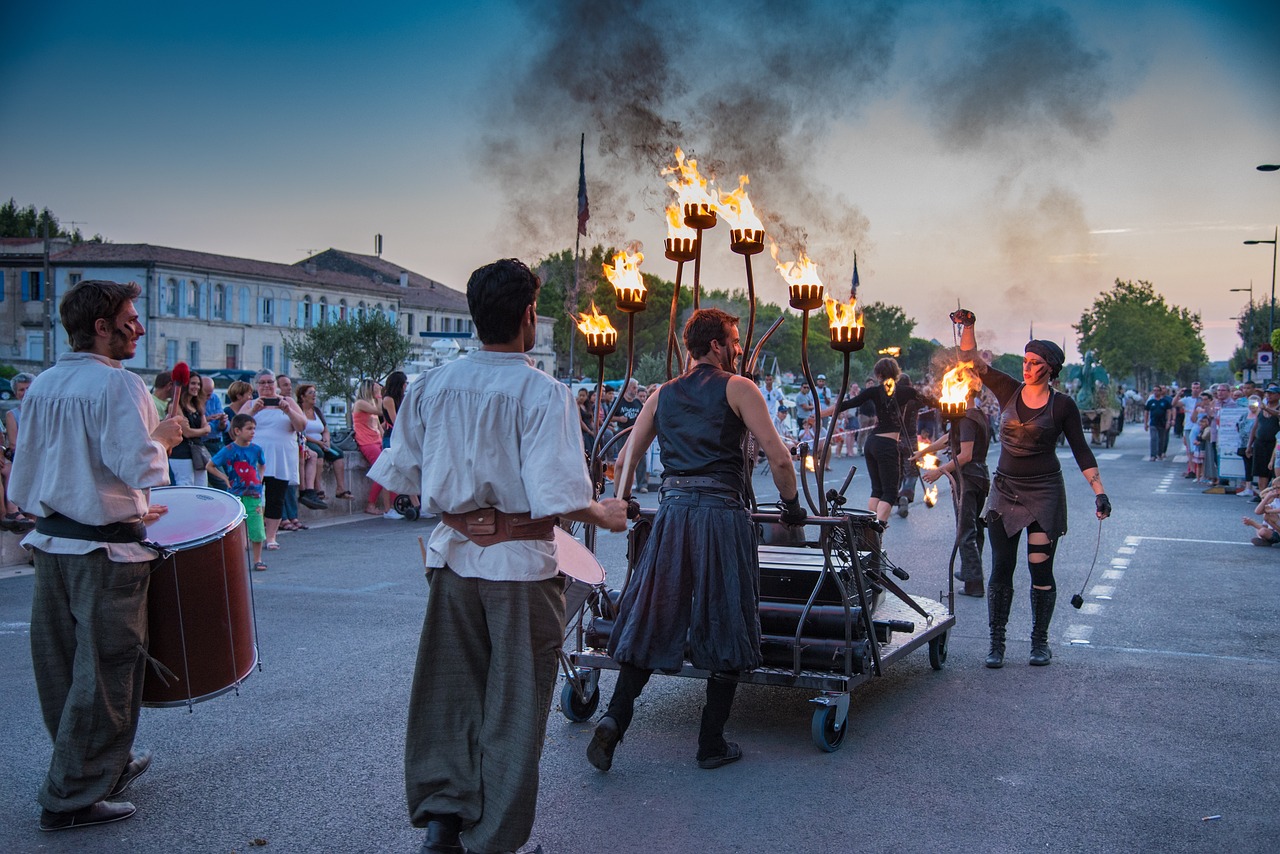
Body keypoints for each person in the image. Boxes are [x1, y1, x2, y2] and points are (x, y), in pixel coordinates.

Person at [368, 258, 626, 854]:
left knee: (448, 692)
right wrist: (602, 512)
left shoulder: (432, 384)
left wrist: (464, 500)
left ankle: (442, 823)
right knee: (514, 705)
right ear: (529, 316)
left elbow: (402, 472)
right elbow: (560, 494)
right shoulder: (544, 393)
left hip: (454, 559)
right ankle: (492, 843)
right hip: (518, 568)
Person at [588, 307, 805, 774]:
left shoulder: (661, 394)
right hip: (722, 516)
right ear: (714, 346)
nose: (738, 350)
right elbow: (778, 456)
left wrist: (623, 501)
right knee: (727, 616)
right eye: (733, 341)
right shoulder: (739, 388)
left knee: (652, 615)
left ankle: (614, 718)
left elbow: (626, 456)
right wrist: (791, 507)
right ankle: (710, 743)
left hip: (672, 516)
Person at [10, 279, 183, 831]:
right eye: (130, 318)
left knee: (60, 669)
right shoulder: (119, 385)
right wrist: (164, 437)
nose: (138, 326)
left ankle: (97, 765)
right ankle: (72, 798)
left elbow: (32, 475)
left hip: (54, 543)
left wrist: (126, 507)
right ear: (102, 327)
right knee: (108, 670)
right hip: (105, 556)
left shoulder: (42, 385)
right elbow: (141, 466)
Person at [953, 309, 1110, 668]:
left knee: (1040, 570)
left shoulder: (1063, 406)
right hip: (1005, 491)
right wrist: (970, 326)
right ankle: (996, 644)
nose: (1027, 367)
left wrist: (1099, 491)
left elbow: (1081, 450)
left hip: (1044, 494)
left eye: (1035, 362)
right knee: (1001, 569)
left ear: (1050, 368)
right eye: (1025, 360)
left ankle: (1040, 642)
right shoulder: (1009, 389)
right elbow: (971, 362)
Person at [825, 357, 930, 526]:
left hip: (872, 443)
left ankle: (869, 532)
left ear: (879, 374)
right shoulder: (906, 391)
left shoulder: (873, 391)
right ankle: (877, 531)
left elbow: (845, 404)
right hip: (886, 445)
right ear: (896, 372)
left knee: (877, 490)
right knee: (889, 492)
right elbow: (931, 401)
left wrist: (819, 414)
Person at [915, 384, 991, 597]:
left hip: (968, 479)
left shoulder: (966, 417)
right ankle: (970, 572)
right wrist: (923, 452)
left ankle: (974, 582)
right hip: (979, 477)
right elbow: (949, 439)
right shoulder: (976, 414)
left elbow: (965, 455)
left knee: (965, 530)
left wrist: (939, 471)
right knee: (974, 528)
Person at [238, 371, 307, 549]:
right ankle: (251, 535)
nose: (266, 386)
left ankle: (271, 537)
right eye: (262, 383)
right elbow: (236, 428)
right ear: (256, 386)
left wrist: (287, 410)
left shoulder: (288, 402)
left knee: (276, 498)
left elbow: (301, 426)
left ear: (276, 385)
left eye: (270, 382)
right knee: (251, 498)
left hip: (281, 457)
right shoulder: (250, 404)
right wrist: (254, 410)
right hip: (254, 458)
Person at [207, 413, 268, 570]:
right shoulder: (228, 450)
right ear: (237, 431)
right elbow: (210, 465)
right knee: (236, 529)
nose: (253, 432)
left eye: (254, 428)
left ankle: (257, 559)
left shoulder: (256, 449)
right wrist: (224, 478)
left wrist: (260, 478)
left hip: (254, 493)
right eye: (249, 429)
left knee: (257, 527)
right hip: (236, 494)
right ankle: (237, 560)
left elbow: (262, 464)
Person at [297, 383, 351, 501]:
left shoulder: (316, 410)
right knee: (318, 453)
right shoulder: (299, 411)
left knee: (338, 454)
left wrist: (326, 439)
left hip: (321, 441)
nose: (314, 395)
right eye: (310, 393)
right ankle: (317, 488)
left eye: (314, 393)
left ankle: (340, 489)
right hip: (308, 441)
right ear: (302, 397)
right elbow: (301, 432)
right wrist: (318, 442)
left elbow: (325, 429)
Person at [353, 379, 395, 517]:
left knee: (389, 469)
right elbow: (380, 411)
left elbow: (378, 425)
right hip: (366, 442)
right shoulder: (360, 403)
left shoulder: (370, 404)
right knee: (381, 471)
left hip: (376, 440)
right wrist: (378, 395)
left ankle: (395, 504)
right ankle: (371, 504)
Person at [167, 370, 211, 487]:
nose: (196, 387)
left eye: (198, 384)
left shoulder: (198, 406)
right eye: (193, 383)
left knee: (202, 487)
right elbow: (187, 433)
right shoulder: (175, 406)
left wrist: (200, 430)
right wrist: (202, 430)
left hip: (198, 452)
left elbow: (207, 429)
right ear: (186, 385)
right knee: (185, 485)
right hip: (181, 452)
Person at [616, 379, 647, 492]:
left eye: (636, 388)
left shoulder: (637, 402)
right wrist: (619, 418)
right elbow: (609, 417)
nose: (635, 391)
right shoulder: (619, 401)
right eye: (634, 388)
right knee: (623, 460)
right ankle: (622, 486)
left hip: (636, 433)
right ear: (627, 388)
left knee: (641, 458)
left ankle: (642, 484)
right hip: (622, 432)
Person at [1144, 385, 1173, 461]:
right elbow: (1146, 412)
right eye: (1154, 390)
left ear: (1160, 392)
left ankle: (1160, 453)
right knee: (1153, 438)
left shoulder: (1165, 402)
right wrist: (1145, 423)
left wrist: (1168, 421)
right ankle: (1153, 455)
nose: (1156, 392)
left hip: (1162, 423)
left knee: (1161, 439)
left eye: (1157, 390)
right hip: (1153, 423)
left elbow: (1169, 411)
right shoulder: (1150, 402)